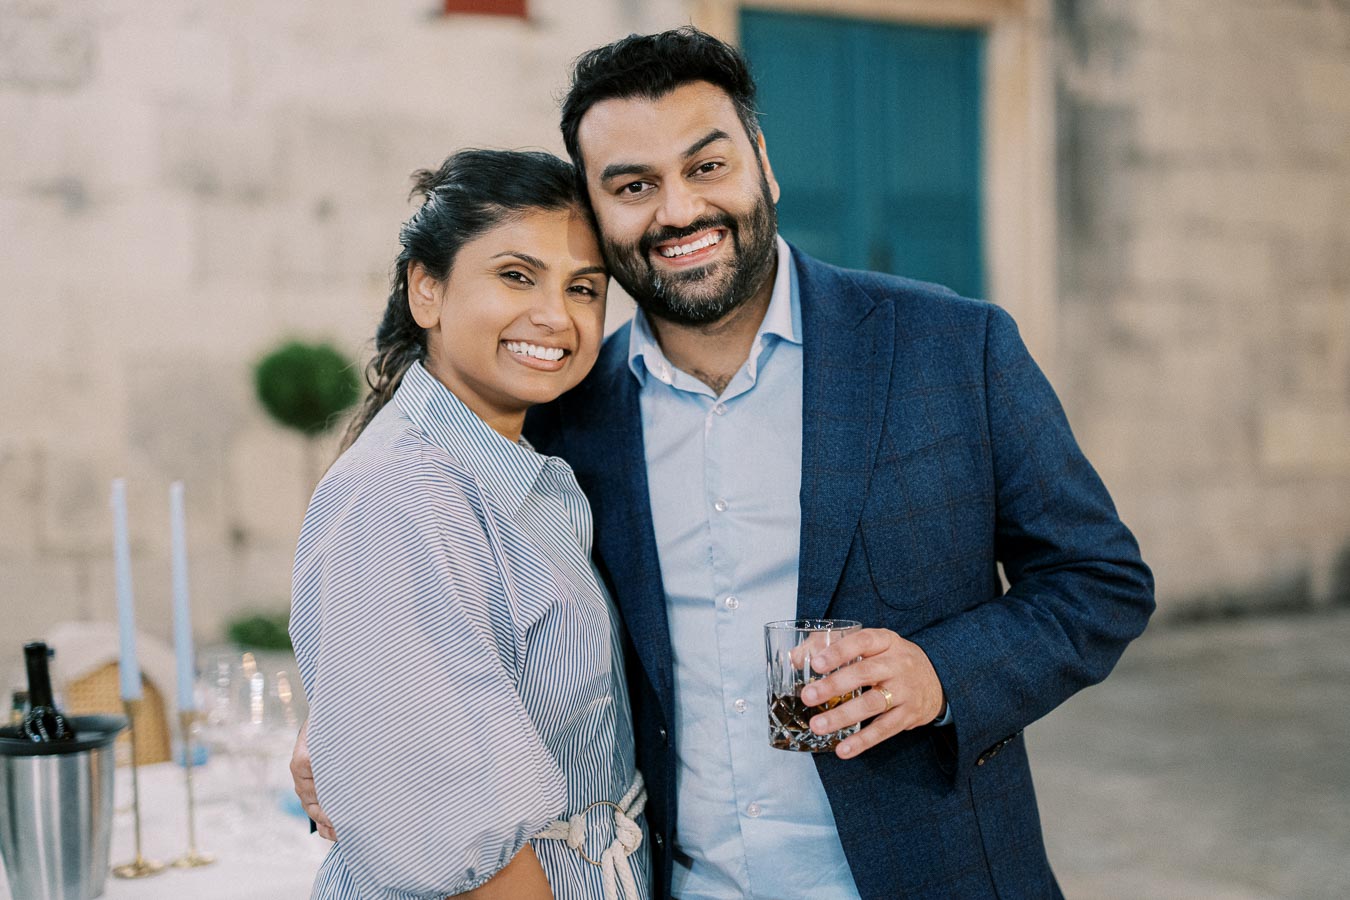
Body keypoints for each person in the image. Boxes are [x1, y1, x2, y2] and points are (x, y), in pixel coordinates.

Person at [294, 27, 1154, 900]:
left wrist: (941, 673)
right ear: (599, 214)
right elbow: (455, 625)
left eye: (707, 166)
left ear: (764, 165)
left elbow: (1100, 579)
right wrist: (356, 726)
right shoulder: (566, 417)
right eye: (633, 185)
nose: (677, 211)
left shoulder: (951, 347)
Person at [288, 148, 650, 900]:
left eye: (584, 288)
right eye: (516, 276)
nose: (555, 316)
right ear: (427, 290)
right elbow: (461, 841)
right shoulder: (402, 491)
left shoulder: (520, 464)